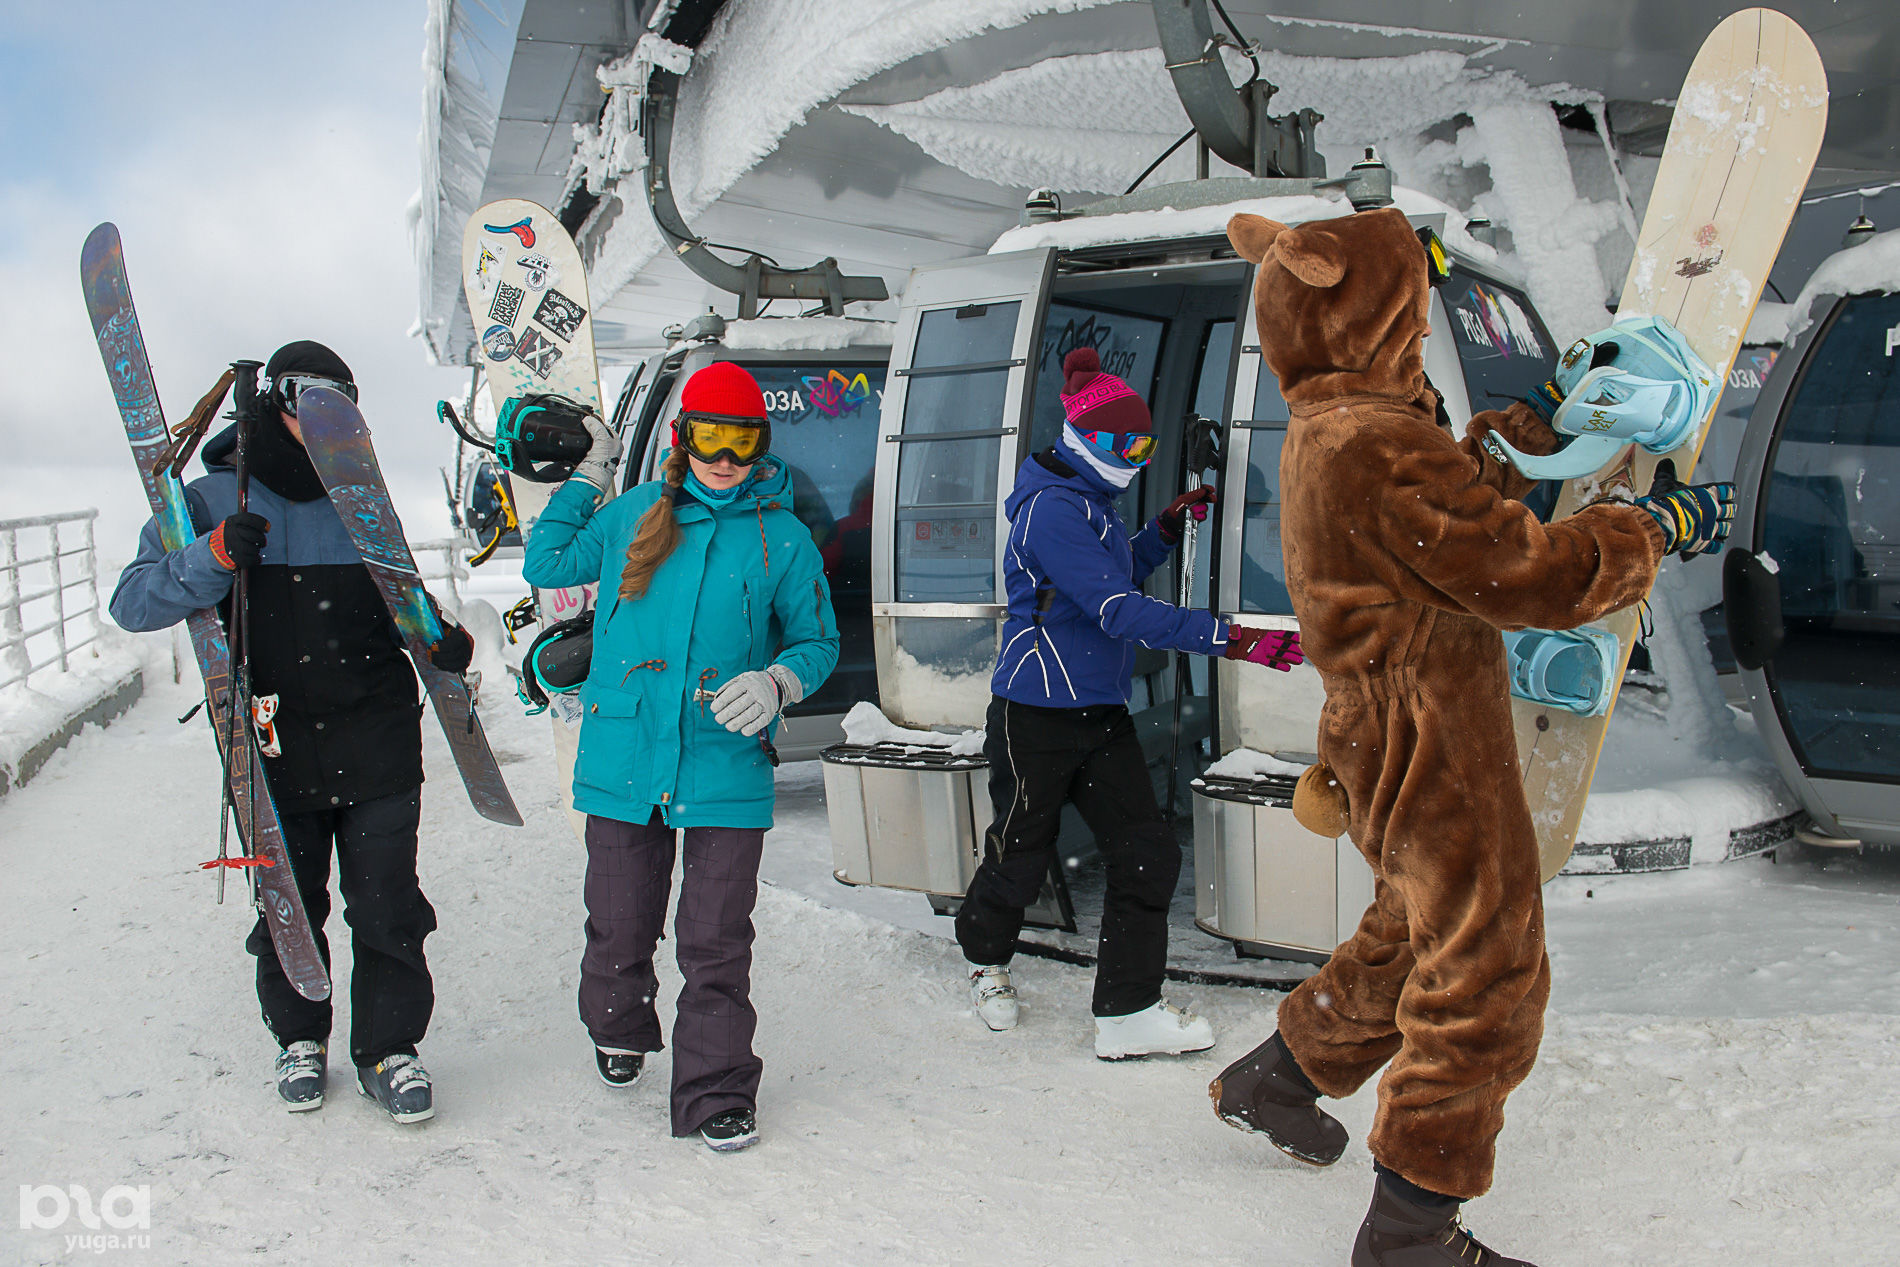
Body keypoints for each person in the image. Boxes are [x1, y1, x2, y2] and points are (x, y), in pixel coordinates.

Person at [1215, 208, 1735, 1266]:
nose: (1420, 330)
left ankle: (1278, 1076)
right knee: (1490, 970)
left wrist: (1528, 428)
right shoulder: (1371, 445)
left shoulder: (1347, 424)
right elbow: (1524, 573)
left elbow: (1443, 514)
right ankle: (1409, 1235)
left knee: (1415, 932)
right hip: (1428, 737)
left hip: (1386, 726)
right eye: (1409, 312)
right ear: (1365, 317)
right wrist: (1651, 528)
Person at [110, 341, 474, 1125]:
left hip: (376, 731)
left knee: (388, 903)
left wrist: (441, 640)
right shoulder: (212, 497)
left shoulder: (363, 499)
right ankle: (300, 1035)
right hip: (272, 741)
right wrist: (212, 554)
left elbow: (406, 604)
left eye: (340, 406)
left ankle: (388, 1049)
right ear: (274, 403)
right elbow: (133, 602)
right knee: (287, 901)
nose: (323, 422)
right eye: (308, 404)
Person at [522, 361, 839, 1154]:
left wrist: (778, 679)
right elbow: (547, 564)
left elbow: (818, 640)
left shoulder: (783, 537)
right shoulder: (632, 513)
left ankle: (716, 1089)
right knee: (620, 918)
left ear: (761, 444)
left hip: (725, 755)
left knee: (716, 937)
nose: (724, 458)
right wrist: (588, 478)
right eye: (709, 437)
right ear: (681, 437)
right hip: (626, 749)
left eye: (742, 441)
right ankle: (618, 1025)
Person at [957, 346, 1304, 1060]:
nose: (1137, 461)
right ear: (1086, 437)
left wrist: (1163, 531)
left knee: (1146, 851)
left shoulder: (1091, 500)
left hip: (1099, 712)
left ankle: (1128, 1008)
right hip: (1035, 715)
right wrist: (1232, 638)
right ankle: (985, 959)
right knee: (1021, 855)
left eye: (1145, 447)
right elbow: (1115, 608)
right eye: (1128, 446)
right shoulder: (1052, 509)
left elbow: (1110, 574)